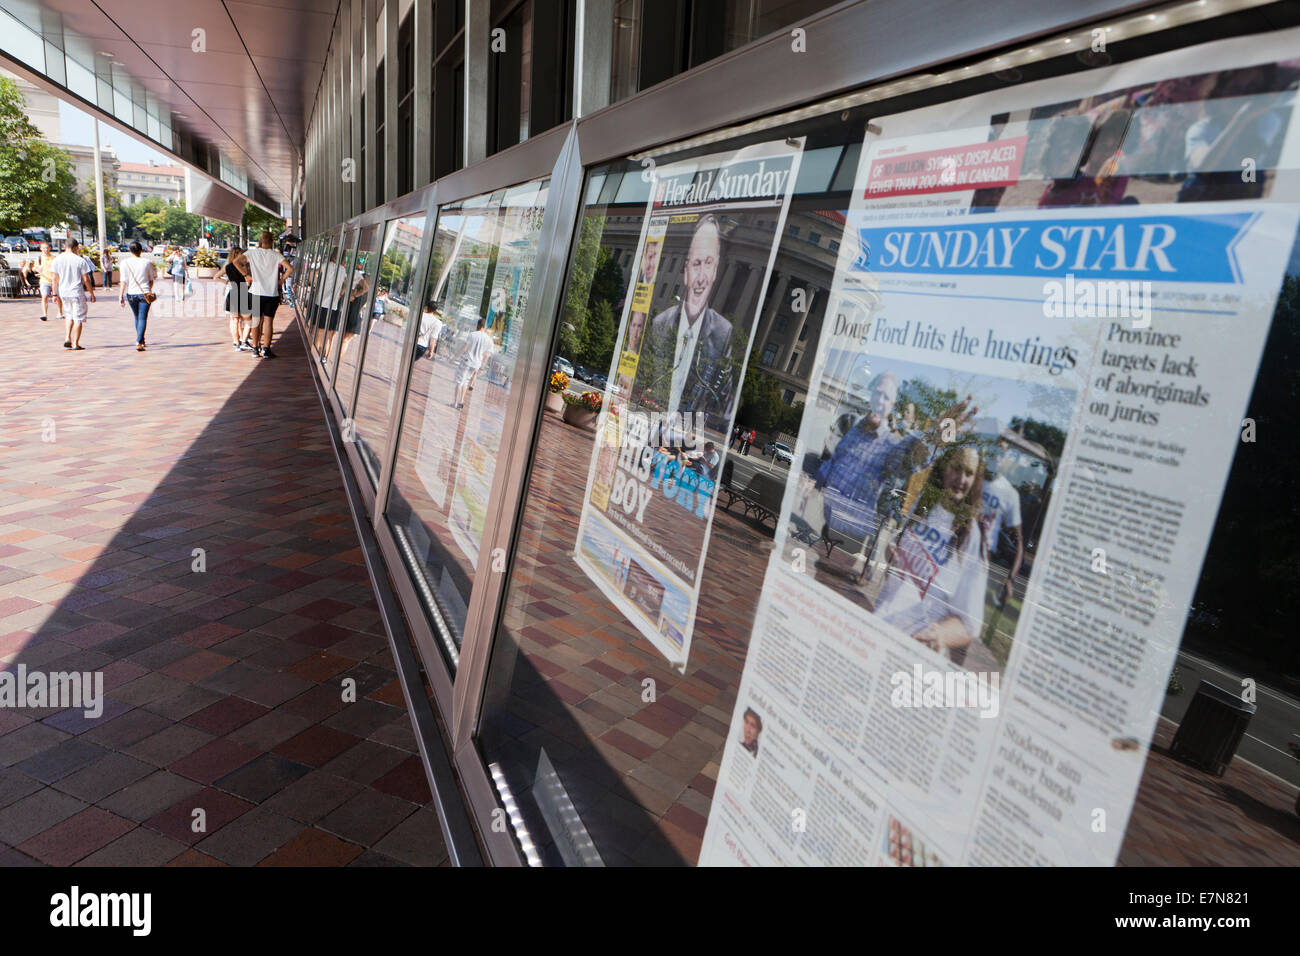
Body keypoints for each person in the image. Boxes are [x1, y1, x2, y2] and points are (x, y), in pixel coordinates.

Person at [875, 444, 989, 665]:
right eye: (957, 468)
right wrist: (893, 557)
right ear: (944, 468)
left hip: (912, 652)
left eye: (969, 473)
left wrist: (940, 634)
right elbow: (898, 565)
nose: (962, 479)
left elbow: (970, 623)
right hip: (881, 626)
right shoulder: (923, 506)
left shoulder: (971, 536)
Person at [634, 214, 740, 427]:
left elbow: (724, 399)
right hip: (649, 422)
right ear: (685, 269)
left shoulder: (722, 332)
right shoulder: (661, 323)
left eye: (708, 264)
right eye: (696, 264)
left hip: (686, 431)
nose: (701, 276)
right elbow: (640, 378)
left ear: (715, 272)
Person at [980, 440, 1025, 607]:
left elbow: (1020, 543)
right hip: (957, 551)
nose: (998, 457)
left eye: (1003, 453)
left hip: (981, 559)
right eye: (995, 450)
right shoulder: (971, 477)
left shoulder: (1009, 493)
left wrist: (1011, 579)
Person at [245, 231, 292, 359]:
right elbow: (289, 268)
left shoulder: (252, 253)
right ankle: (266, 349)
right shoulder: (276, 255)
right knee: (268, 321)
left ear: (260, 240)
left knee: (255, 321)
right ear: (271, 241)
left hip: (255, 291)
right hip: (271, 293)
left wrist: (246, 275)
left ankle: (255, 348)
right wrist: (281, 280)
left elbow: (236, 262)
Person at [52, 238, 95, 350]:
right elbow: (86, 279)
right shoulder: (80, 260)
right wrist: (91, 293)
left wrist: (54, 294)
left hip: (63, 292)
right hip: (76, 292)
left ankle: (67, 338)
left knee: (69, 315)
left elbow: (54, 278)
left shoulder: (57, 259)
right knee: (78, 318)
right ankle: (76, 343)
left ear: (64, 246)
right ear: (76, 247)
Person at [117, 241, 156, 352]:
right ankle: (139, 341)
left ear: (130, 250)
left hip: (131, 294)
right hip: (144, 293)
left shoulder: (125, 263)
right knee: (143, 317)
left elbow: (123, 281)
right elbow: (151, 280)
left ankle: (141, 340)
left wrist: (121, 296)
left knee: (136, 316)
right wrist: (148, 289)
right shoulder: (147, 262)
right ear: (141, 250)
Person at [451, 317, 494, 409]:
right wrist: (482, 367)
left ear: (478, 325)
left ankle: (455, 402)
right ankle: (461, 401)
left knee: (460, 381)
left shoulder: (472, 334)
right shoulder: (489, 340)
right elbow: (487, 355)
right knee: (466, 382)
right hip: (476, 363)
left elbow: (464, 348)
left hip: (467, 360)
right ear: (485, 327)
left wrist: (454, 358)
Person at [221, 245, 254, 351]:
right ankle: (244, 340)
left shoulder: (228, 267)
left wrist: (227, 283)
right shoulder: (243, 267)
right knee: (249, 319)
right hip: (243, 292)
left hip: (233, 293)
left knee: (234, 320)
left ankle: (236, 342)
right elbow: (248, 280)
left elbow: (217, 276)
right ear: (236, 254)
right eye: (241, 254)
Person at [37, 241, 62, 322]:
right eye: (43, 248)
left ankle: (60, 312)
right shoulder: (39, 258)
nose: (45, 250)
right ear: (41, 249)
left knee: (57, 297)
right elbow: (34, 268)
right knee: (44, 297)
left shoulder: (54, 258)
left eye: (47, 248)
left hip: (54, 281)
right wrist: (37, 269)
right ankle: (45, 314)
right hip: (44, 280)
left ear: (50, 248)